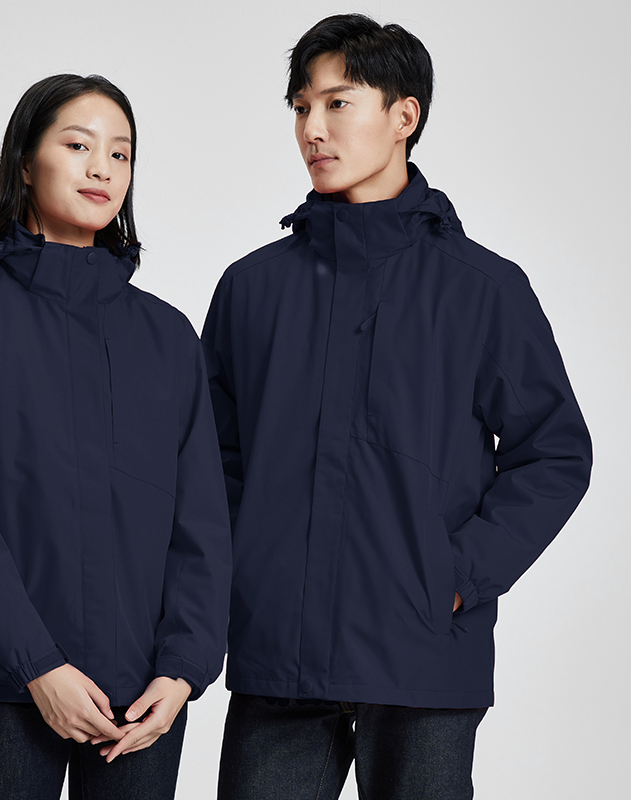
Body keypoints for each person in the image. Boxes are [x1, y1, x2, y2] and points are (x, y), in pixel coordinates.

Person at [201, 14, 591, 800]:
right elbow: (213, 460)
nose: (312, 129)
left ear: (403, 115)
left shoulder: (482, 289)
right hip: (279, 657)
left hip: (423, 654)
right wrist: (251, 575)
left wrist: (456, 575)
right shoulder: (252, 288)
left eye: (337, 103)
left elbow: (553, 453)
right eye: (301, 108)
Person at [0, 73, 231, 800]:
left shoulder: (167, 336)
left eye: (120, 153)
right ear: (25, 161)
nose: (102, 168)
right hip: (2, 688)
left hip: (140, 699)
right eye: (78, 146)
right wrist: (36, 664)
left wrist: (183, 671)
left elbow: (201, 523)